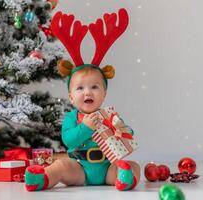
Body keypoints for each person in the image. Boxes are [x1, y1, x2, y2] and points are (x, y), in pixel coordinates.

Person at [24, 8, 140, 192]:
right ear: (71, 96)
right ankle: (42, 179)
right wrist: (85, 127)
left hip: (106, 166)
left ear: (104, 94)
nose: (88, 93)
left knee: (133, 165)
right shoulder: (72, 117)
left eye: (95, 87)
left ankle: (125, 179)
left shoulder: (108, 116)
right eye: (80, 88)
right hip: (80, 167)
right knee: (61, 166)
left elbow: (128, 134)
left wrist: (122, 129)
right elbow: (69, 140)